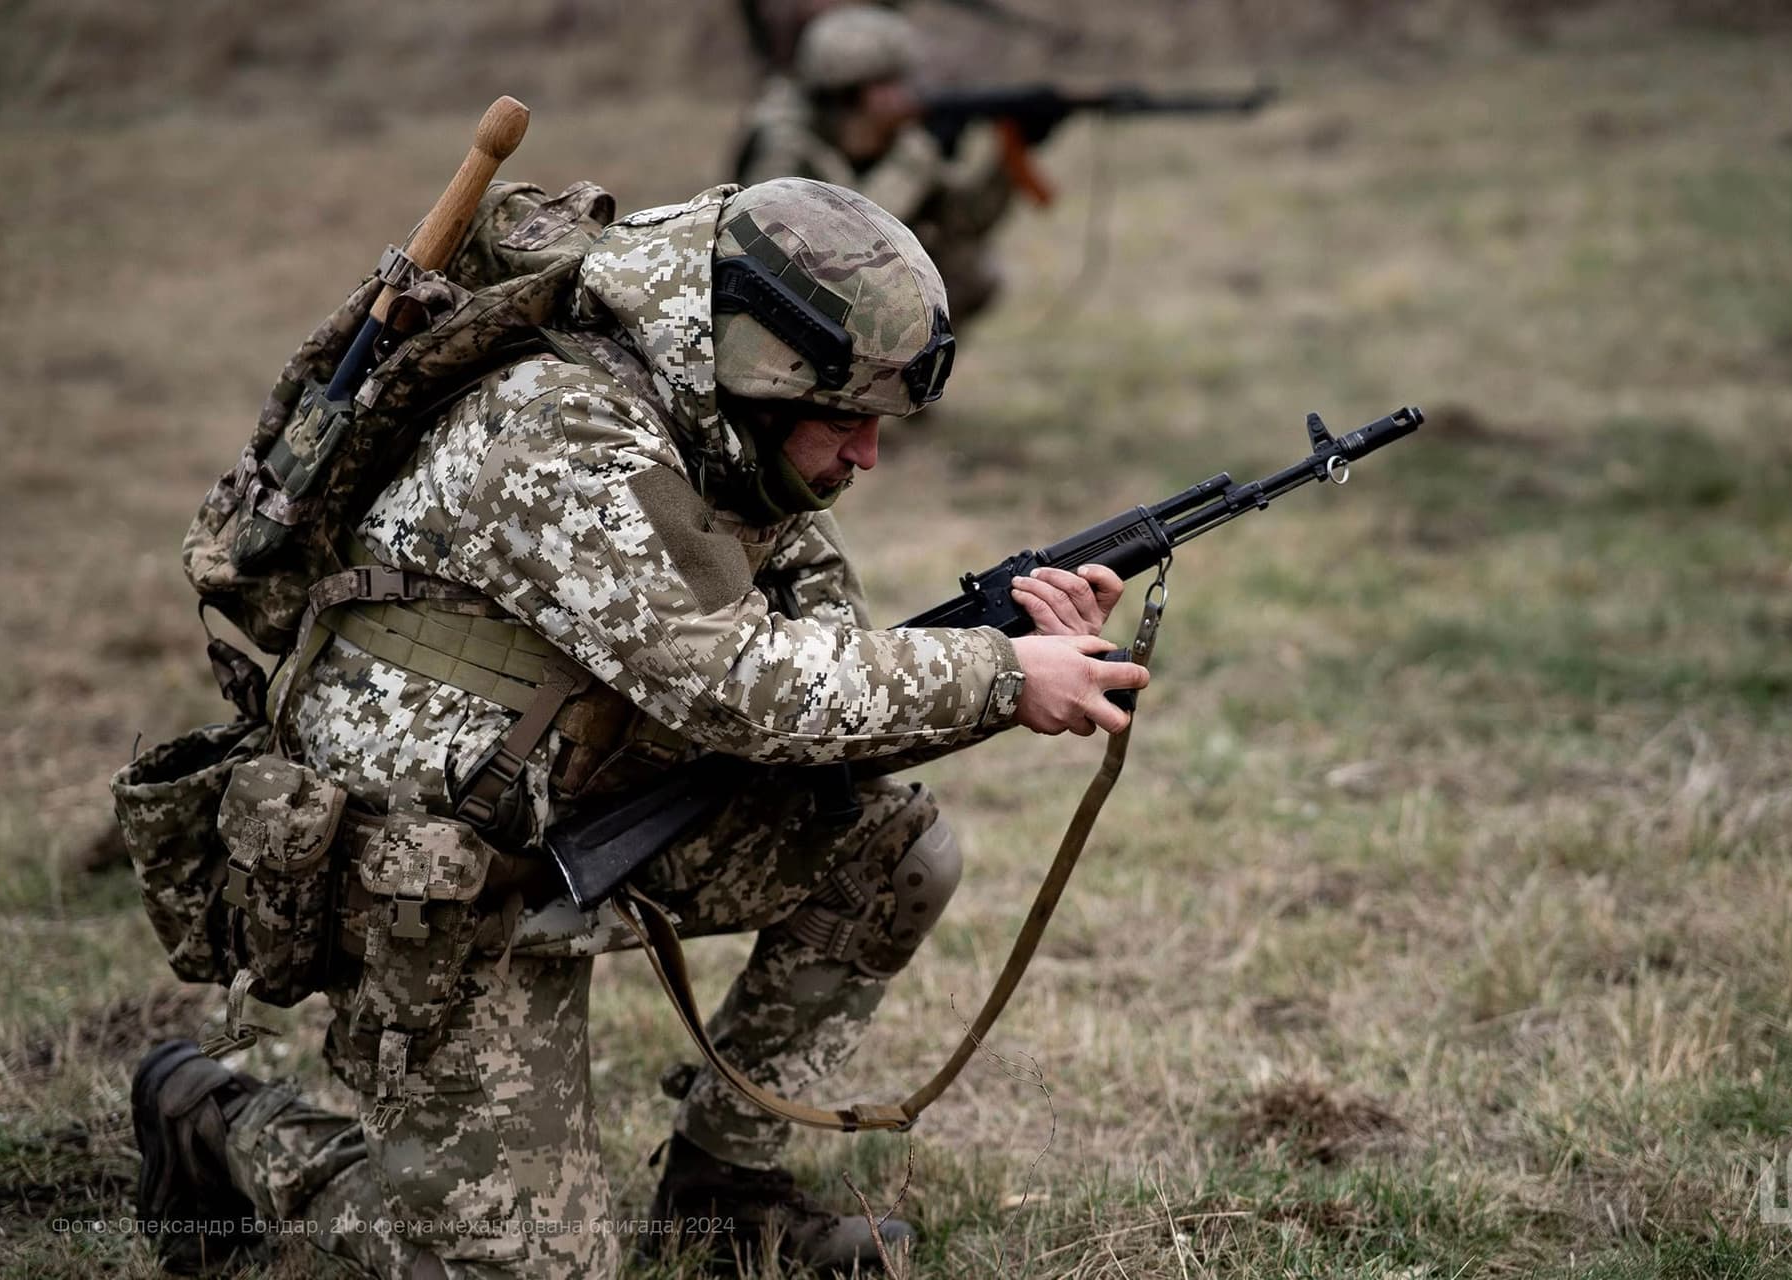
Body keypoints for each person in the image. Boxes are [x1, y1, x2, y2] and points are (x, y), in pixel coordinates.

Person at [131, 176, 1146, 1278]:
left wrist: (1017, 639)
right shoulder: (565, 430)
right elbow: (733, 687)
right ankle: (223, 1122)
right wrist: (999, 675)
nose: (867, 456)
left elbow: (820, 678)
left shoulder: (717, 422)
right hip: (434, 869)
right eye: (848, 419)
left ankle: (723, 1197)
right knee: (531, 1267)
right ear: (767, 375)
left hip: (589, 806)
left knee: (888, 848)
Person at [735, 3, 1019, 323]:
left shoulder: (899, 139)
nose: (908, 93)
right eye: (891, 83)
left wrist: (1008, 161)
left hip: (854, 300)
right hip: (787, 307)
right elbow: (821, 247)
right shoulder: (783, 142)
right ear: (853, 91)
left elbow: (966, 220)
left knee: (970, 267)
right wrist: (913, 165)